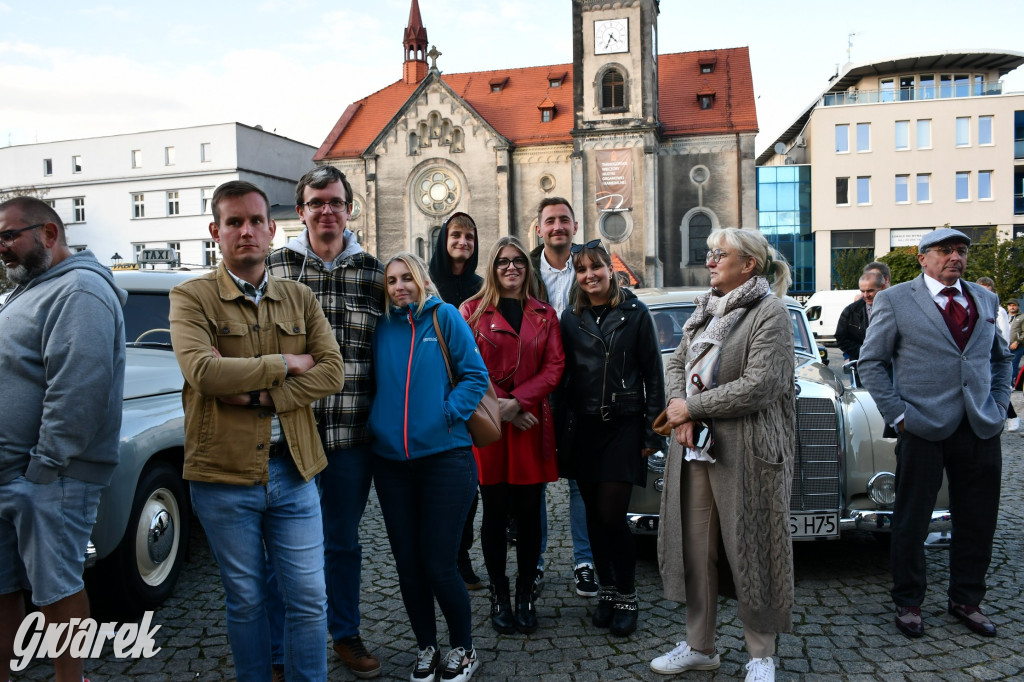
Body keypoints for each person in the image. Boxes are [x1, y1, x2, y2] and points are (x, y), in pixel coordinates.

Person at [169, 181, 344, 681]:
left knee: (309, 598)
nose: (245, 231)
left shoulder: (299, 296)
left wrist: (256, 394)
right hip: (222, 476)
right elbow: (203, 372)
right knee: (246, 599)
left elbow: (332, 371)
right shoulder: (191, 297)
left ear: (272, 229)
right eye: (233, 222)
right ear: (215, 232)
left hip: (294, 470)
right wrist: (288, 362)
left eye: (254, 221)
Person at [651, 227, 795, 682]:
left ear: (747, 264)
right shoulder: (706, 307)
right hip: (695, 449)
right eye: (710, 253)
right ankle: (700, 646)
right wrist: (682, 414)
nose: (710, 260)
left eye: (720, 254)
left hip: (747, 453)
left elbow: (761, 384)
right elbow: (676, 363)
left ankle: (760, 655)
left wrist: (691, 407)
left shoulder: (769, 311)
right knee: (697, 551)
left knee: (750, 549)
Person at [859, 228, 1009, 640]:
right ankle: (908, 602)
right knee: (912, 519)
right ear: (923, 257)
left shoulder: (985, 298)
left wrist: (997, 406)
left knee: (978, 520)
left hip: (979, 427)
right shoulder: (895, 299)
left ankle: (967, 599)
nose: (955, 257)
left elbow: (1000, 359)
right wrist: (900, 415)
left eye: (960, 250)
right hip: (922, 427)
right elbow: (871, 362)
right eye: (945, 250)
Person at [265, 166, 385, 678]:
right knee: (280, 550)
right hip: (288, 435)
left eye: (335, 202)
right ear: (302, 211)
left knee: (341, 542)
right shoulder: (275, 267)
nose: (326, 211)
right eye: (316, 203)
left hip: (351, 435)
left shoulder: (374, 272)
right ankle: (276, 647)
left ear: (349, 208)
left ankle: (344, 632)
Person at [0, 197, 126, 682]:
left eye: (10, 236)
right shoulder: (30, 288)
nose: (3, 248)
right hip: (15, 476)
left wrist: (43, 468)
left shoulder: (79, 290)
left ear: (49, 234)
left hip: (51, 479)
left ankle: (70, 679)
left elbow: (79, 387)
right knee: (4, 585)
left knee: (57, 588)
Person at [369, 253, 487, 682]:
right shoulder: (381, 326)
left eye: (407, 278)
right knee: (408, 564)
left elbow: (476, 375)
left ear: (421, 280)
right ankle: (427, 646)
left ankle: (464, 648)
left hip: (445, 459)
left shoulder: (446, 317)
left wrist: (445, 414)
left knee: (439, 562)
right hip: (392, 465)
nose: (400, 286)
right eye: (392, 280)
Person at [558, 240, 665, 637]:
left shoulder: (635, 313)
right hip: (584, 429)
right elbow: (564, 376)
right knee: (592, 516)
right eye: (582, 269)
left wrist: (652, 431)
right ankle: (605, 592)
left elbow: (654, 373)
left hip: (622, 425)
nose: (590, 276)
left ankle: (626, 594)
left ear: (610, 269)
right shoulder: (572, 317)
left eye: (596, 267)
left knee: (611, 515)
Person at [461, 236, 564, 634]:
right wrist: (504, 407)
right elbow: (466, 368)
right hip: (490, 428)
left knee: (529, 516)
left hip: (528, 426)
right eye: (503, 261)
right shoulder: (470, 312)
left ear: (527, 266)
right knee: (494, 513)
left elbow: (555, 367)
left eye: (518, 261)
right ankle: (499, 594)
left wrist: (518, 403)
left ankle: (524, 594)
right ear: (493, 266)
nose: (511, 268)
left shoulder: (544, 314)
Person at [528, 197, 599, 599]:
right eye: (550, 221)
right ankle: (534, 563)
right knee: (534, 479)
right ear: (539, 229)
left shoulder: (590, 265)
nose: (557, 226)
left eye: (564, 220)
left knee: (579, 481)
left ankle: (585, 562)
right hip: (537, 388)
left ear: (574, 226)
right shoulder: (523, 271)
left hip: (580, 388)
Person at [429, 212, 485, 591]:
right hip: (429, 393)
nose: (463, 241)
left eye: (469, 236)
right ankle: (437, 557)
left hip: (468, 395)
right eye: (456, 235)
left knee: (468, 485)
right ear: (443, 239)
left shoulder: (482, 287)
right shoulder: (428, 283)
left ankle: (461, 555)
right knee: (432, 486)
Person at [977, 278, 1018, 432]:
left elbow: (1003, 336)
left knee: (993, 387)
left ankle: (1010, 416)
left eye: (987, 290)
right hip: (978, 356)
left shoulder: (998, 310)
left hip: (991, 355)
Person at [835, 270, 886, 361]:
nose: (866, 295)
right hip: (860, 364)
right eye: (862, 291)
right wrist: (863, 353)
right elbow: (841, 338)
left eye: (870, 291)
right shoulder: (850, 311)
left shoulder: (895, 308)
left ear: (882, 287)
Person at [1010, 301, 1023, 389]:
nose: (1012, 307)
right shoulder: (1003, 315)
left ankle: (1013, 384)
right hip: (1005, 344)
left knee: (1013, 365)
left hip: (1017, 345)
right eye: (1010, 305)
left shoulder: (1022, 317)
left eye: (1014, 305)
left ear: (1018, 306)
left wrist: (1017, 342)